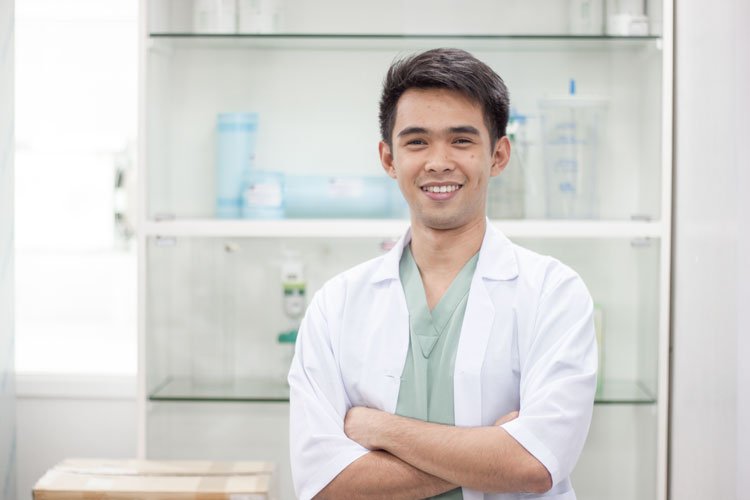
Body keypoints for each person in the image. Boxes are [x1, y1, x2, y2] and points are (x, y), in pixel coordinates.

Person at [288, 48, 597, 500]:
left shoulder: (554, 294)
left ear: (498, 156)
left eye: (462, 140)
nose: (438, 162)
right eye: (416, 142)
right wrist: (490, 454)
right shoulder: (337, 305)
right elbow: (324, 483)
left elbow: (533, 466)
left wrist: (380, 429)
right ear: (389, 158)